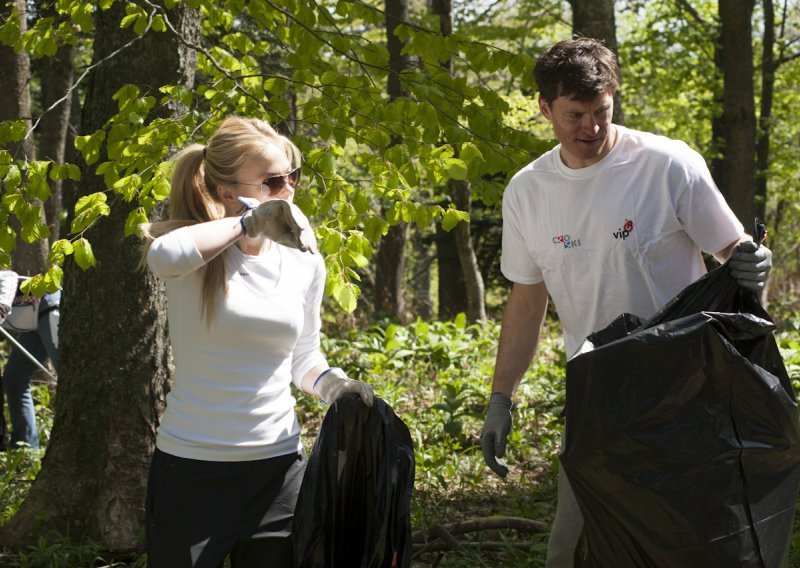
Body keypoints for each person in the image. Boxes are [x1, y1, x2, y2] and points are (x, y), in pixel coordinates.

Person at [479, 38, 773, 567]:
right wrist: (502, 398)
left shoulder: (667, 165)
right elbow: (527, 302)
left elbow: (734, 252)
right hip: (599, 394)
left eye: (601, 111)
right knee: (573, 548)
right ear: (544, 108)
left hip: (688, 390)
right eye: (574, 115)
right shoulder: (528, 191)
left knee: (694, 543)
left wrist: (755, 263)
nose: (590, 128)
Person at [140, 116, 374, 568]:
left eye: (292, 177)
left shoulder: (304, 260)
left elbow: (303, 355)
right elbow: (162, 257)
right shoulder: (198, 250)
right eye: (272, 181)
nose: (287, 190)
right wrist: (249, 223)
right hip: (191, 471)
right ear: (228, 191)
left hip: (278, 471)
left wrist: (334, 386)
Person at [0, 270, 60, 450]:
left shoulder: (3, 278)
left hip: (49, 308)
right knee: (14, 379)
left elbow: (9, 277)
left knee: (69, 375)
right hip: (34, 327)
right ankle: (26, 448)